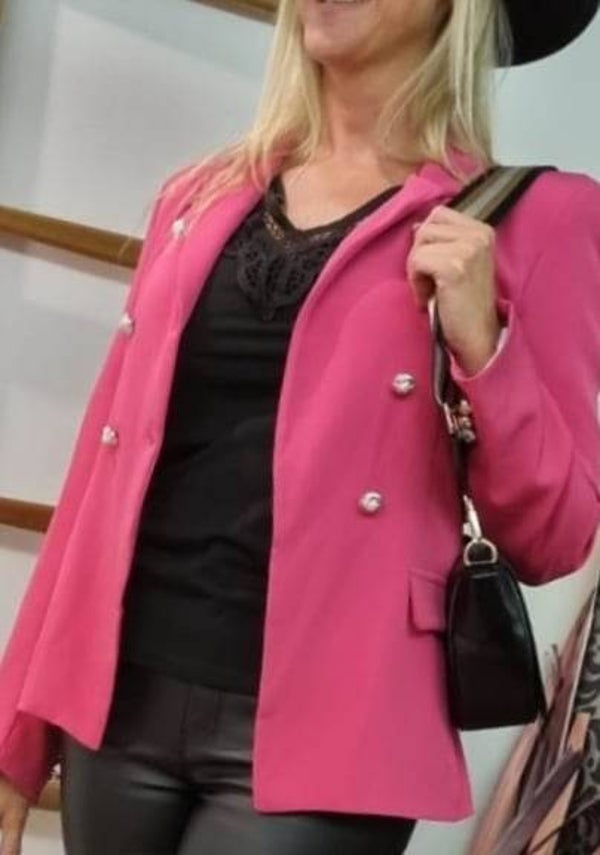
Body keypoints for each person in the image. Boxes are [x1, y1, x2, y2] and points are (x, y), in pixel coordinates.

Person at [1, 0, 600, 852]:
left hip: (333, 737)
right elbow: (98, 477)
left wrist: (485, 347)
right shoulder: (196, 198)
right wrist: (16, 732)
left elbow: (557, 536)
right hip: (121, 707)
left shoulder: (531, 219)